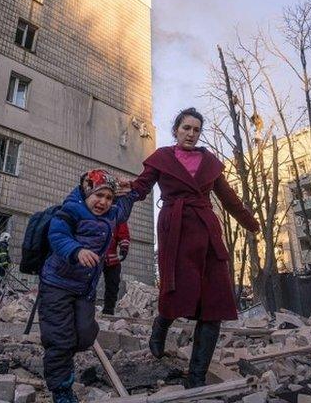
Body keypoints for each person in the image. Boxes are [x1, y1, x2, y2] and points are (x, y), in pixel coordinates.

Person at [123, 107, 260, 389]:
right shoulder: (162, 157)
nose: (191, 133)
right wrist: (118, 194)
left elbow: (229, 198)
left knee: (215, 303)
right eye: (186, 128)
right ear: (176, 130)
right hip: (177, 232)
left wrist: (252, 224)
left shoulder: (210, 162)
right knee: (177, 292)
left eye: (196, 130)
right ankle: (161, 326)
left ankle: (196, 377)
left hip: (208, 235)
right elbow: (141, 186)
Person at [39, 169, 136, 402]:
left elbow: (123, 210)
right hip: (57, 285)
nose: (103, 202)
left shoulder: (112, 214)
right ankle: (61, 389)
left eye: (109, 197)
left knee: (84, 336)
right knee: (60, 339)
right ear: (87, 192)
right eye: (98, 196)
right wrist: (77, 250)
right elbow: (58, 235)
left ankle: (61, 355)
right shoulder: (71, 209)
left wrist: (130, 192)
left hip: (84, 290)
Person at [101, 222, 130, 315]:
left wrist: (124, 248)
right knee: (88, 283)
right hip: (93, 255)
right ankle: (85, 308)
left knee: (113, 283)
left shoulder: (117, 215)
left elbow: (123, 232)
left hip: (111, 257)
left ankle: (108, 310)